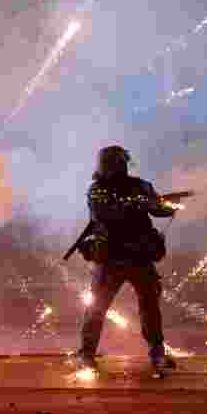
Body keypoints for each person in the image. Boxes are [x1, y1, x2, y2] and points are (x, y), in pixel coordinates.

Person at [71, 146, 179, 374]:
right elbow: (103, 214)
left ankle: (157, 354)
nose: (116, 167)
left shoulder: (141, 186)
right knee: (97, 308)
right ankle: (87, 354)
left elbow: (161, 210)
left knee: (149, 307)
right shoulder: (97, 190)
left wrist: (164, 204)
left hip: (139, 257)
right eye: (113, 163)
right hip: (111, 258)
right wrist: (137, 203)